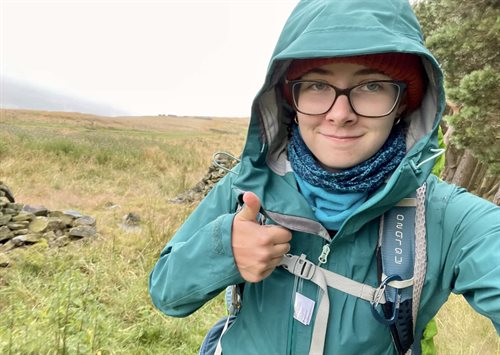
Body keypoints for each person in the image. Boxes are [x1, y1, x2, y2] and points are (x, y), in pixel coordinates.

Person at [149, 1, 500, 354]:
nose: (340, 113)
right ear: (290, 98)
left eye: (372, 86)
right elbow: (167, 293)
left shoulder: (449, 220)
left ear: (403, 104)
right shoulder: (249, 185)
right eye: (318, 85)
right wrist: (224, 248)